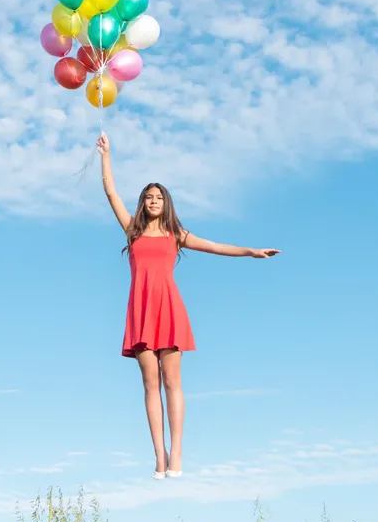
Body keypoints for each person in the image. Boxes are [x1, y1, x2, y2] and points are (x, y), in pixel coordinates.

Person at [97, 132, 280, 480]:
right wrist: (107, 155)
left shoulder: (174, 234)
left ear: (166, 204)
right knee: (150, 386)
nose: (153, 201)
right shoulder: (132, 231)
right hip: (140, 311)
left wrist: (251, 251)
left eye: (158, 198)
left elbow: (213, 246)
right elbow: (110, 192)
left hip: (168, 309)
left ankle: (178, 451)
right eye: (148, 197)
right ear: (142, 203)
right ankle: (160, 455)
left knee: (172, 383)